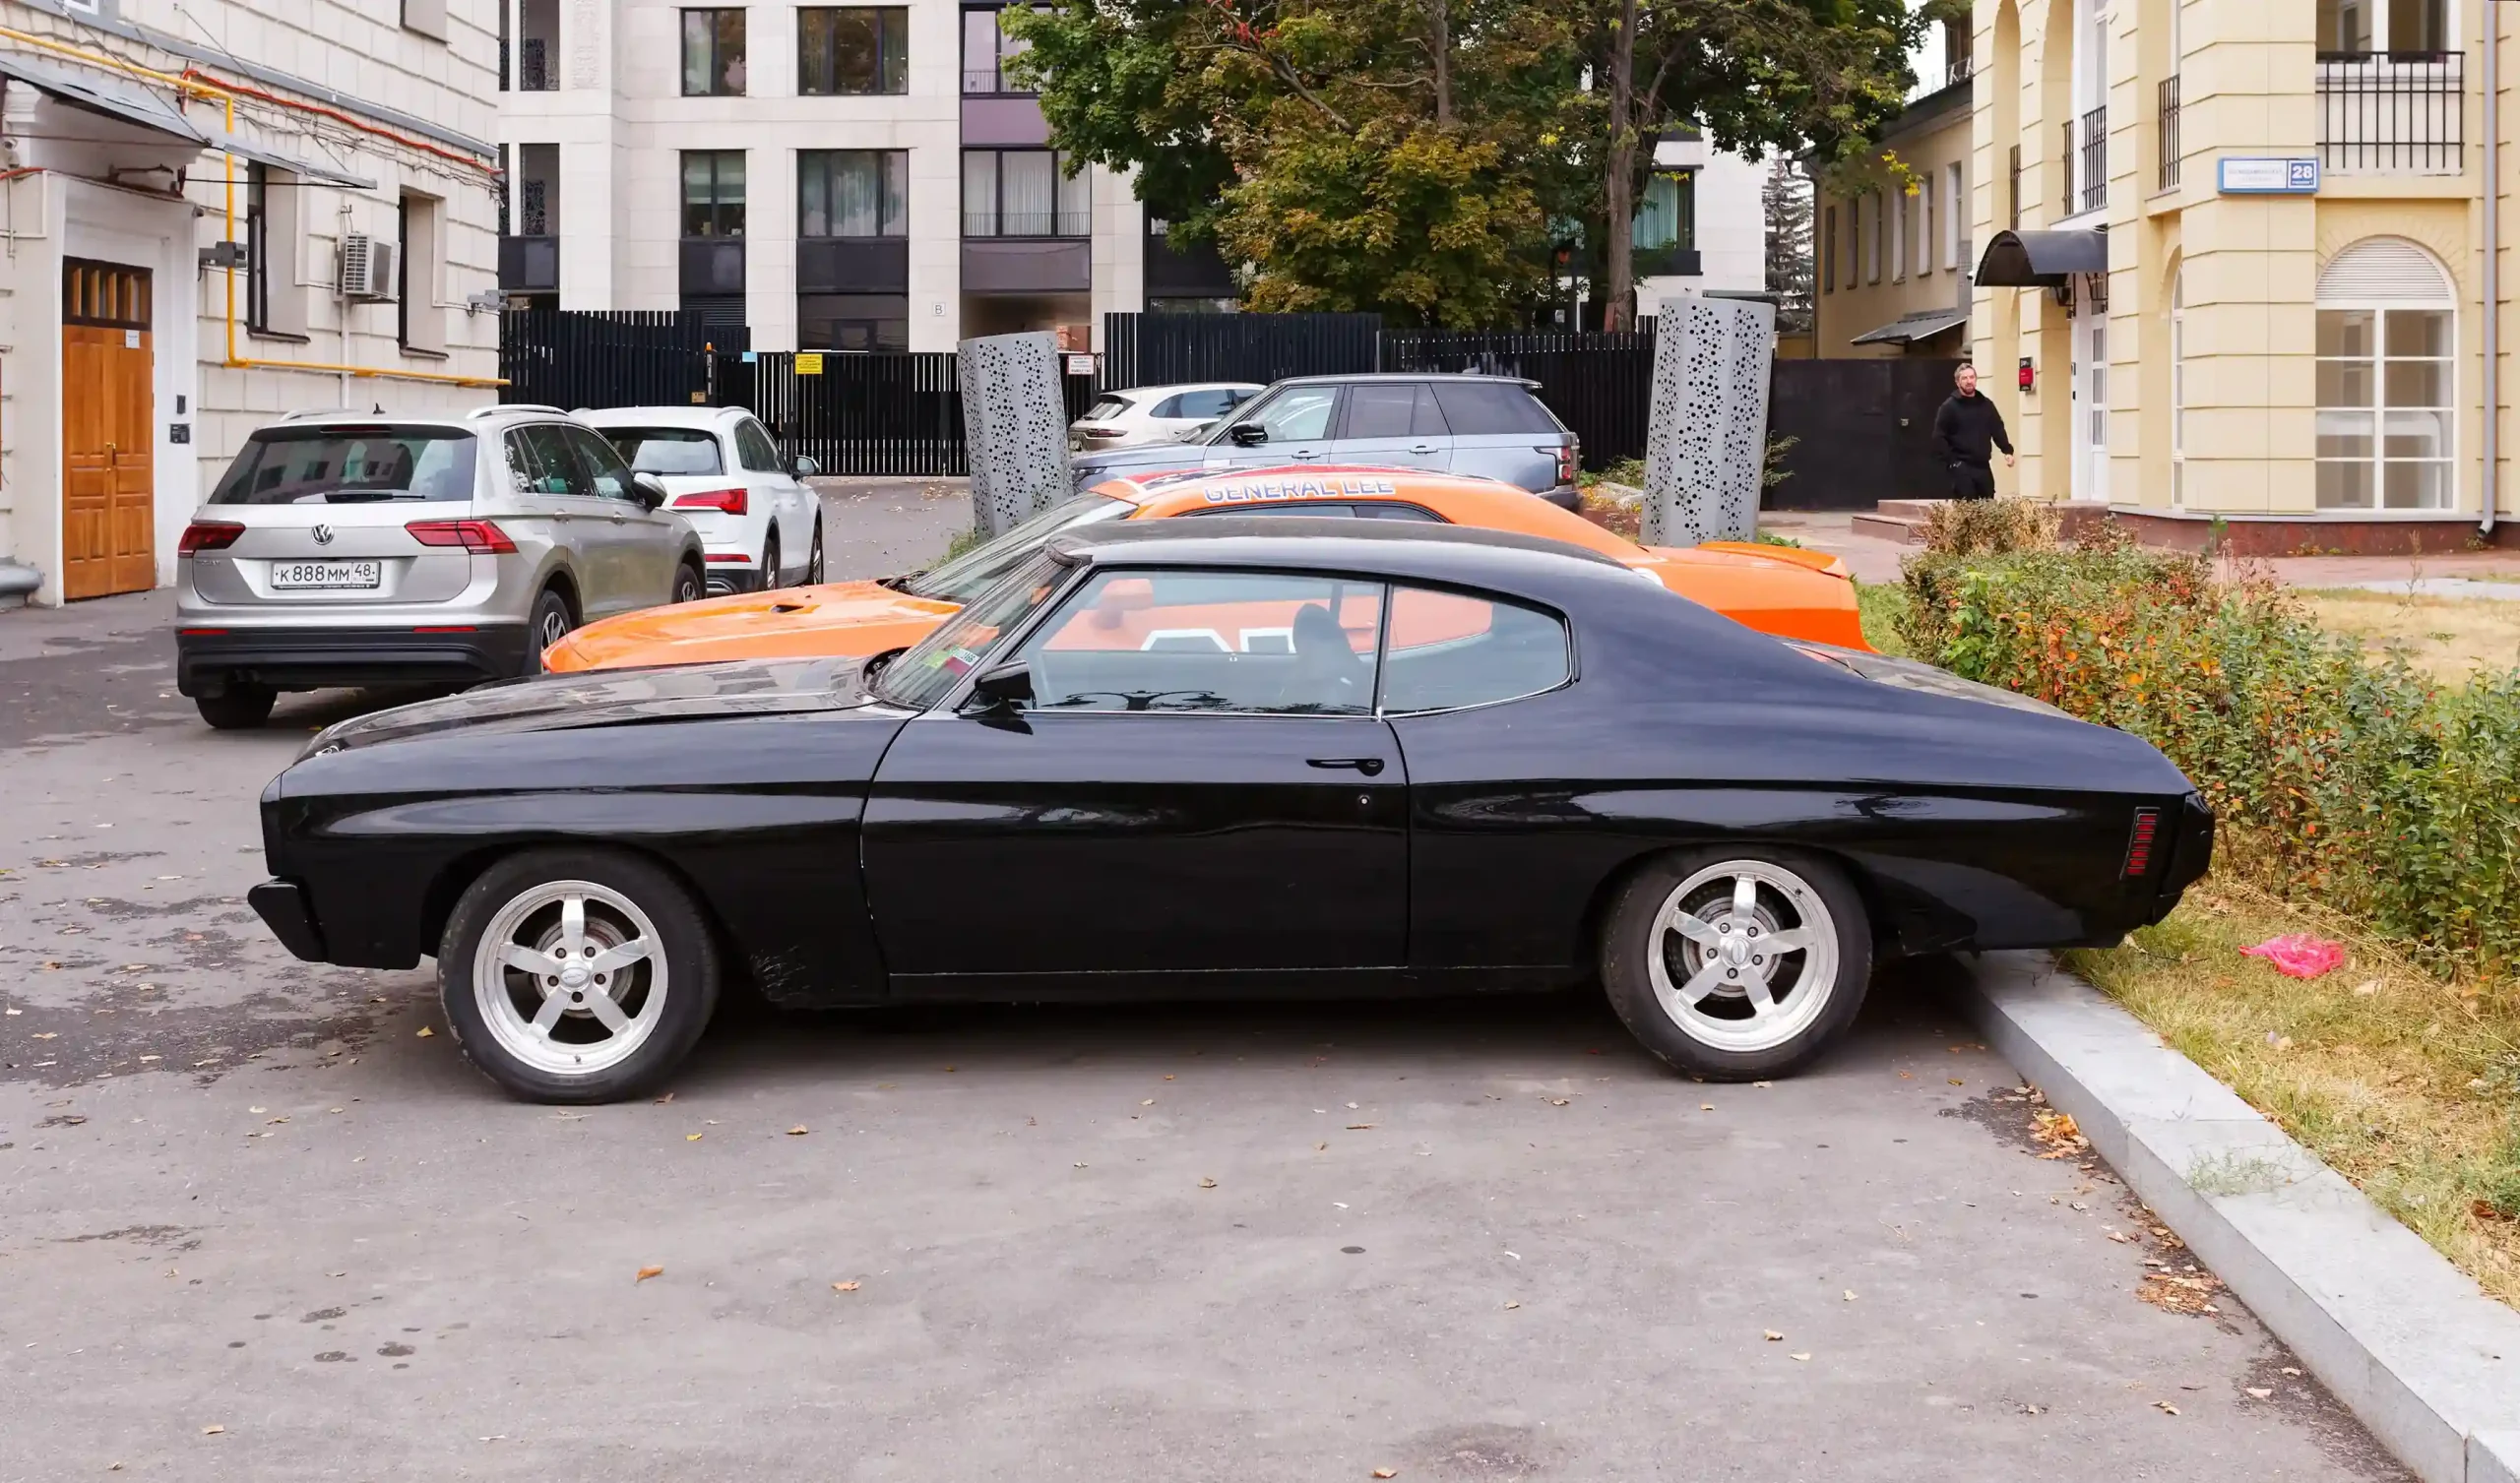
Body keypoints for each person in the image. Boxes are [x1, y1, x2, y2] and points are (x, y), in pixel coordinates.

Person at [1932, 362, 2016, 500]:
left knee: (1988, 506)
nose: (1969, 381)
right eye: (1964, 378)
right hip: (1962, 466)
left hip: (1983, 466)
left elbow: (1997, 428)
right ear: (1957, 382)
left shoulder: (1986, 404)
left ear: (1976, 380)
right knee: (1968, 509)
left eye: (1971, 377)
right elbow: (1938, 437)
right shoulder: (1949, 407)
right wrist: (1953, 462)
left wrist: (2007, 450)